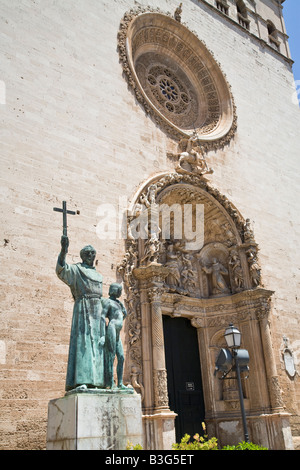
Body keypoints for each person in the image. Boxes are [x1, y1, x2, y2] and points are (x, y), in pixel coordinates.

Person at [56, 235, 105, 391]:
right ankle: (81, 380)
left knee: (97, 345)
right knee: (83, 343)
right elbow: (62, 270)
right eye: (88, 253)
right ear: (83, 255)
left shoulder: (98, 275)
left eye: (93, 253)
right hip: (83, 308)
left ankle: (97, 381)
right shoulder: (77, 269)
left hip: (97, 311)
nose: (91, 255)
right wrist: (64, 251)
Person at [102, 283, 128, 389]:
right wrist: (103, 334)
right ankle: (110, 383)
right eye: (119, 290)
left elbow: (123, 315)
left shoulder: (118, 303)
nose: (120, 293)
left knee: (121, 357)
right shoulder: (107, 302)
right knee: (111, 356)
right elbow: (102, 316)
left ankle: (120, 383)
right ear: (115, 290)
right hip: (112, 328)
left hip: (117, 332)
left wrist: (123, 313)